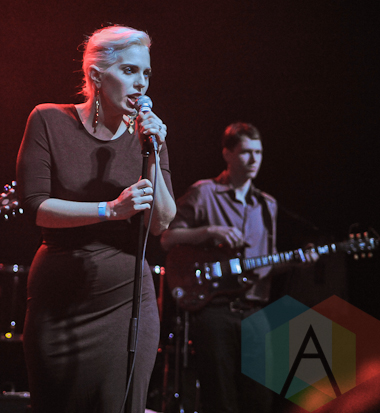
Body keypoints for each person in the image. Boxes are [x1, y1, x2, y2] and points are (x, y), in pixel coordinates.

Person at [16, 25, 177, 413]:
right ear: (96, 76)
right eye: (129, 71)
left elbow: (162, 222)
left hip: (126, 301)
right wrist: (110, 210)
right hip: (60, 301)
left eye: (146, 73)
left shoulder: (149, 137)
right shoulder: (48, 120)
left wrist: (153, 152)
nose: (141, 83)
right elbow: (35, 206)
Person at [161, 122, 280, 413]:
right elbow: (167, 238)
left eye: (259, 153)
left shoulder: (268, 204)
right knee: (220, 399)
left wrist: (300, 260)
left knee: (261, 399)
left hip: (255, 310)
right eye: (246, 152)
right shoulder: (204, 192)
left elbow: (270, 259)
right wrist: (209, 231)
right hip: (215, 310)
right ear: (227, 154)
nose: (254, 160)